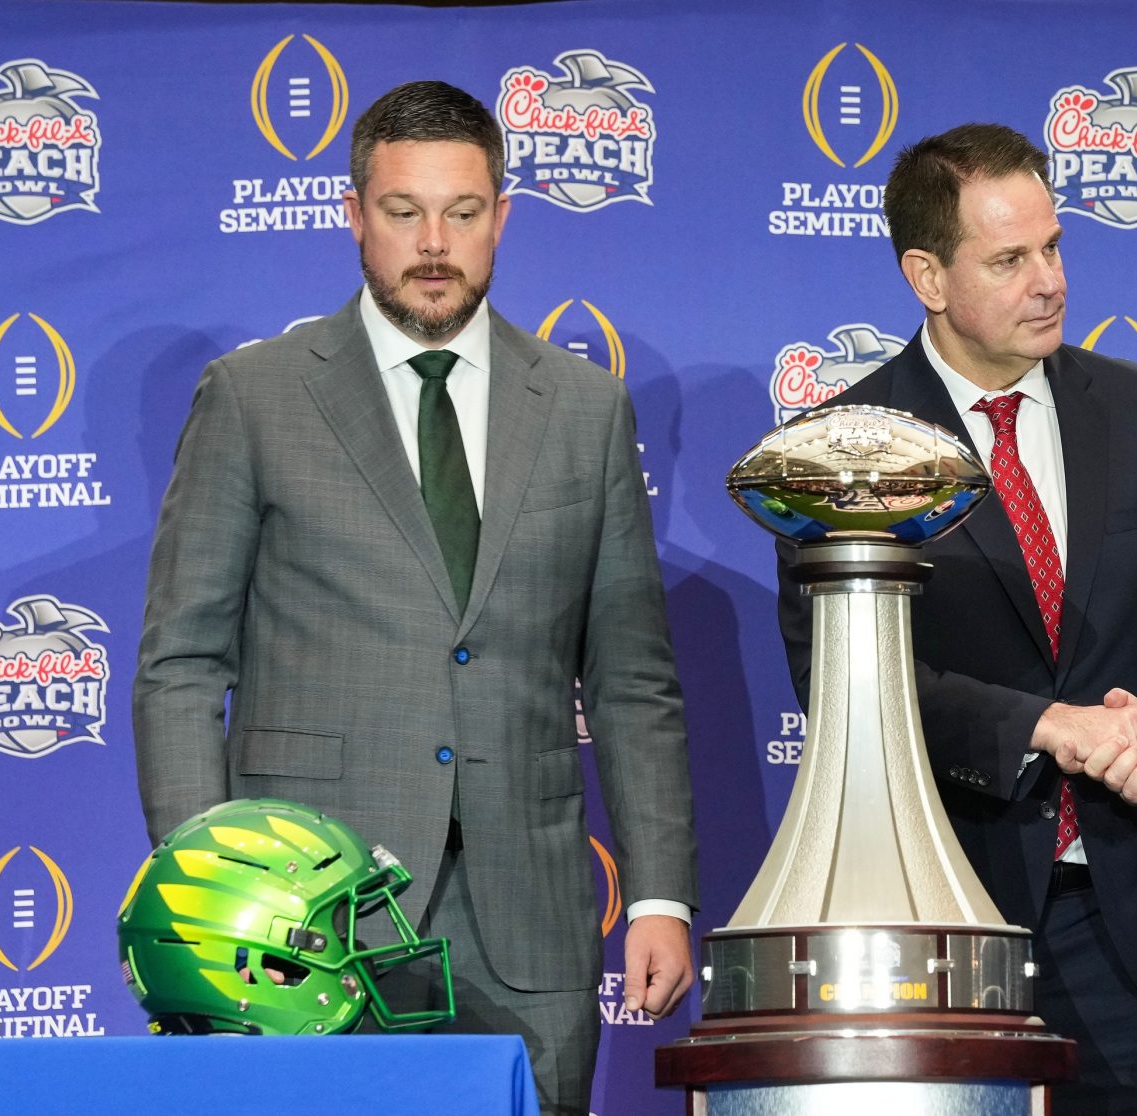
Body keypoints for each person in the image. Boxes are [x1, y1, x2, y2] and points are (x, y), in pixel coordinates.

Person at [134, 81, 697, 1112]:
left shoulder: (582, 409)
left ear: (502, 220)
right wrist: (212, 894)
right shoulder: (255, 397)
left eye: (464, 212)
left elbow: (630, 679)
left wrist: (660, 894)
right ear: (355, 216)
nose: (434, 243)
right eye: (404, 212)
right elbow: (180, 666)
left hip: (527, 920)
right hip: (302, 930)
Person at [775, 123, 1137, 1114]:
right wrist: (1051, 728)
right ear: (928, 276)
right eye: (1009, 260)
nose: (1049, 280)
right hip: (930, 921)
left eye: (1053, 248)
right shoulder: (839, 452)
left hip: (1118, 921)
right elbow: (845, 688)